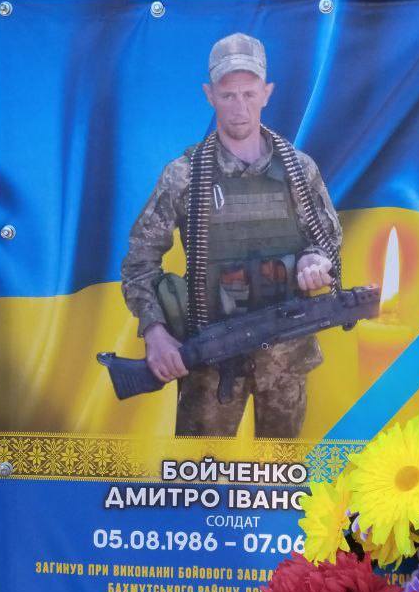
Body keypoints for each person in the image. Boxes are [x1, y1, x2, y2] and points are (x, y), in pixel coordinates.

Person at [120, 32, 342, 437]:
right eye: (227, 95)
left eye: (249, 94)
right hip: (210, 356)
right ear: (209, 95)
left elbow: (328, 241)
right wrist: (155, 333)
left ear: (267, 93)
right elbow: (139, 262)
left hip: (286, 360)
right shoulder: (185, 175)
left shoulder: (299, 169)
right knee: (198, 470)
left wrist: (316, 261)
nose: (240, 108)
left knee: (280, 471)